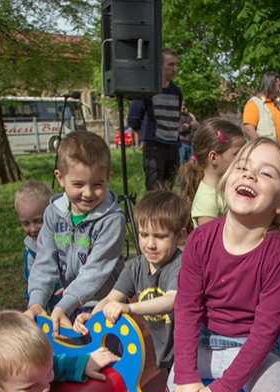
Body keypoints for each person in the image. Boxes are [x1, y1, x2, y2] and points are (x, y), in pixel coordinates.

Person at [171, 138, 280, 392]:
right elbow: (187, 309)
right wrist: (187, 376)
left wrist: (223, 388)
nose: (249, 175)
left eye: (266, 173)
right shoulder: (200, 240)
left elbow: (264, 333)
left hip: (253, 351)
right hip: (205, 343)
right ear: (228, 178)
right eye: (242, 167)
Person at [25, 131, 125, 335]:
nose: (88, 193)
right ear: (60, 178)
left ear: (108, 178)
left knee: (105, 360)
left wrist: (65, 304)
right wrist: (36, 301)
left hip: (103, 306)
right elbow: (44, 262)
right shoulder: (53, 214)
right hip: (67, 304)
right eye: (78, 184)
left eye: (97, 184)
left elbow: (96, 270)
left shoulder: (112, 219)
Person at [75, 191, 187, 370]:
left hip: (186, 350)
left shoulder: (181, 265)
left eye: (159, 236)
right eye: (144, 235)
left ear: (179, 236)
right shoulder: (136, 267)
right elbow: (110, 299)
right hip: (163, 350)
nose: (150, 244)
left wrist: (129, 307)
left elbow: (171, 300)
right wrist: (94, 317)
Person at [127, 48, 183, 191]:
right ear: (160, 66)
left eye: (176, 65)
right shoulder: (147, 89)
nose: (175, 69)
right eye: (170, 65)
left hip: (173, 148)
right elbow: (133, 119)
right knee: (154, 192)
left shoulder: (176, 91)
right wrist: (145, 135)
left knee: (168, 192)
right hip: (154, 147)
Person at [179, 118, 245, 227]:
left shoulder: (224, 189)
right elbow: (209, 242)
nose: (243, 159)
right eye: (237, 154)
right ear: (213, 158)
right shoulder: (207, 202)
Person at [14, 180, 53, 297]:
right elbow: (31, 281)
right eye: (26, 223)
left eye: (38, 221)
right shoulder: (30, 250)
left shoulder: (62, 241)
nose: (33, 229)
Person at [242, 72, 280, 144]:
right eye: (278, 86)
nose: (279, 90)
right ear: (271, 85)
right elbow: (248, 129)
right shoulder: (254, 103)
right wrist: (261, 146)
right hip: (264, 151)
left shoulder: (275, 105)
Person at [178, 101, 198, 166]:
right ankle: (180, 176)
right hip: (181, 144)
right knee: (181, 165)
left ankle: (189, 176)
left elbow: (197, 126)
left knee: (191, 165)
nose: (183, 107)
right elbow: (181, 129)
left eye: (184, 105)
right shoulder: (177, 116)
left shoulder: (189, 116)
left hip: (190, 144)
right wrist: (190, 125)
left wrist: (187, 125)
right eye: (182, 105)